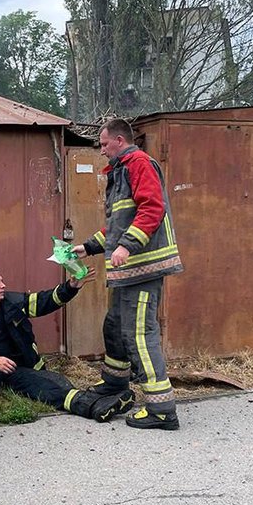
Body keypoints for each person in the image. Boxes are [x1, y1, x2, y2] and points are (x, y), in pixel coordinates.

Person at [72, 118, 184, 430]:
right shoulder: (121, 169)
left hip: (143, 268)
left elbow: (152, 208)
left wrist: (126, 247)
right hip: (127, 270)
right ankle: (115, 384)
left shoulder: (139, 163)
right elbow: (120, 222)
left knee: (139, 335)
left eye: (104, 144)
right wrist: (88, 247)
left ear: (120, 141)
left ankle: (161, 410)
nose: (102, 150)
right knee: (114, 326)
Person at [0, 268, 136, 441]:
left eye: (2, 281)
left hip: (15, 368)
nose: (3, 285)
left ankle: (98, 406)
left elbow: (44, 301)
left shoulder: (13, 303)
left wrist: (70, 287)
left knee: (51, 385)